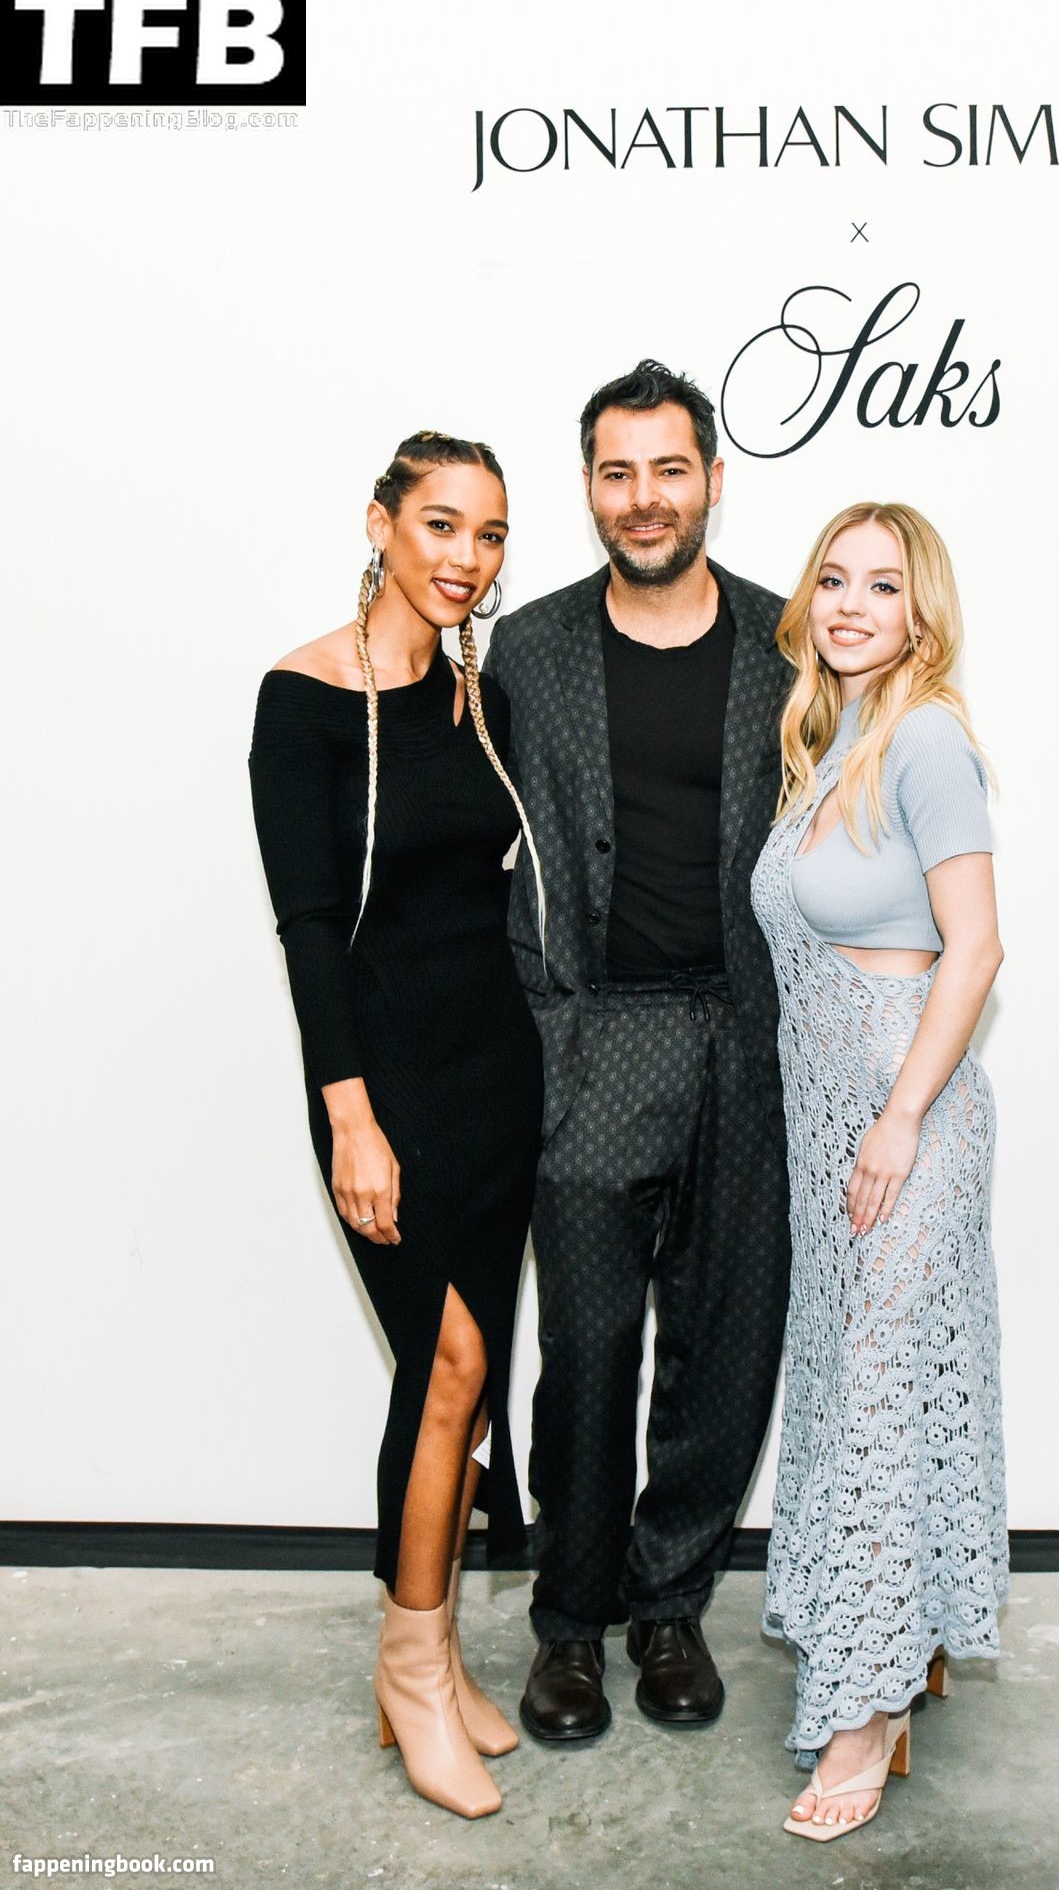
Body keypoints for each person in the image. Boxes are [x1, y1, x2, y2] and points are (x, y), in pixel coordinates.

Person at [484, 361, 793, 1742]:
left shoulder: (792, 642)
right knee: (591, 1349)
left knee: (726, 1343)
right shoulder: (529, 650)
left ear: (713, 481)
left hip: (749, 1039)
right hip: (591, 1041)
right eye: (619, 473)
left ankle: (671, 1608)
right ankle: (570, 1624)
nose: (645, 497)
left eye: (670, 470)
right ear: (590, 488)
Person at [248, 431, 543, 1819]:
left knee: (463, 1385)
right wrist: (350, 1119)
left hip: (496, 1078)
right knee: (446, 1365)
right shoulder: (302, 700)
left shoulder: (477, 699)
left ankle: (434, 1651)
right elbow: (311, 930)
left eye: (489, 535)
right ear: (380, 525)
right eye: (440, 525)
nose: (465, 558)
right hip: (389, 1088)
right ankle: (410, 1671)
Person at [749, 502, 1010, 1841]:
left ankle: (868, 1708)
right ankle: (910, 1637)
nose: (852, 604)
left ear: (922, 611)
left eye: (883, 585)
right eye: (834, 580)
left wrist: (902, 1118)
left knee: (883, 1394)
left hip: (909, 1122)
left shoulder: (925, 739)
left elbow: (978, 946)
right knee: (861, 1379)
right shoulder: (829, 741)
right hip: (829, 1122)